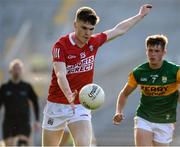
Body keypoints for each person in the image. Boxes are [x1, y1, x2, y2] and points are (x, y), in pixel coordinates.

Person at [42, 4, 152, 146]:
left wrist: (140, 15)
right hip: (56, 105)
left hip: (80, 105)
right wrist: (68, 93)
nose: (87, 33)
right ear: (75, 25)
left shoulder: (94, 42)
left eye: (91, 29)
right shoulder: (61, 46)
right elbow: (60, 74)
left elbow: (119, 30)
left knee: (84, 144)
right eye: (84, 28)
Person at [113, 34, 180, 146]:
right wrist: (118, 111)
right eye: (150, 50)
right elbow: (124, 93)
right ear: (146, 51)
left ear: (164, 52)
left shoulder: (175, 71)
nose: (152, 54)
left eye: (157, 51)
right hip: (144, 118)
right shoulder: (139, 72)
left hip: (166, 121)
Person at [0, 59, 40, 146]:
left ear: (21, 71)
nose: (16, 71)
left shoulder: (27, 87)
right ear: (10, 70)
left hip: (24, 122)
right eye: (14, 68)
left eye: (19, 68)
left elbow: (35, 102)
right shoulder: (4, 88)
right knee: (9, 144)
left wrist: (37, 120)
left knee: (24, 144)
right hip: (9, 122)